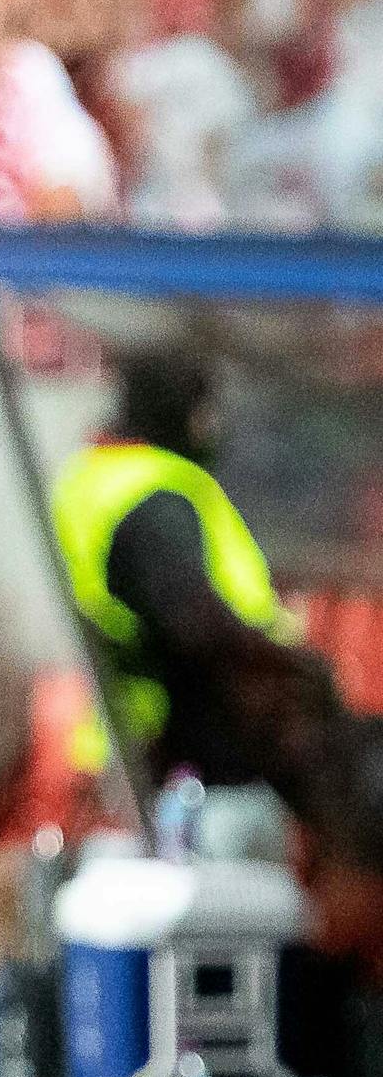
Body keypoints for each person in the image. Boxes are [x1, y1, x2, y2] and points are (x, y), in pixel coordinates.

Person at [54, 351, 382, 874]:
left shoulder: (95, 478)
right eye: (204, 411)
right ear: (179, 411)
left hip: (139, 748)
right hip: (198, 765)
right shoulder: (152, 492)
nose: (212, 428)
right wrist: (291, 669)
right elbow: (198, 624)